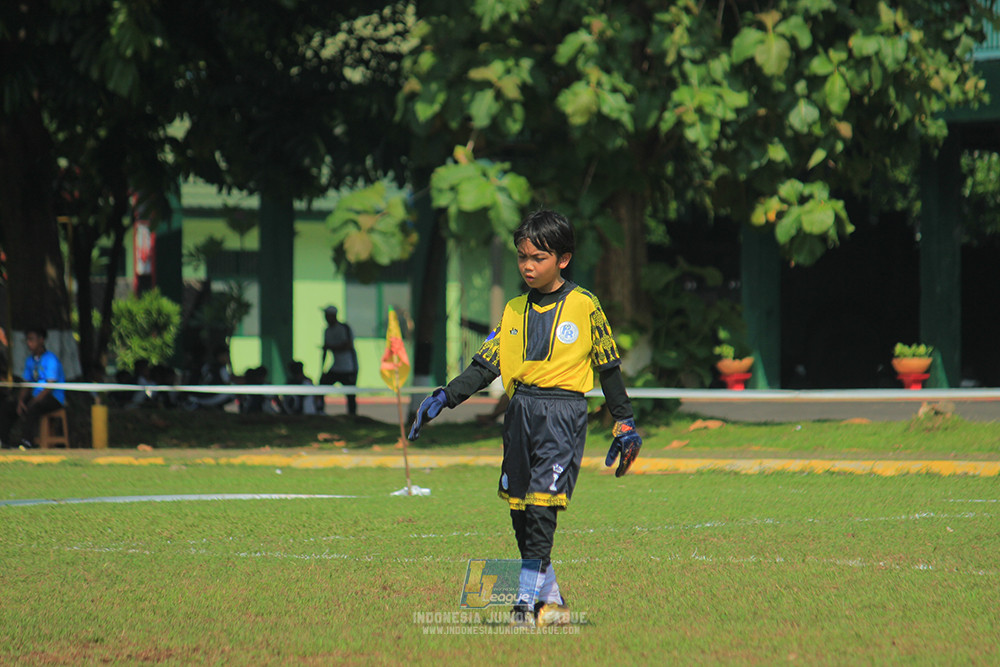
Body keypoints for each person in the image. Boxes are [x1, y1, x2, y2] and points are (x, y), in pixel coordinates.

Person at [407, 209, 643, 628]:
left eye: (538, 257)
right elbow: (485, 365)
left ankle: (523, 603)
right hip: (520, 413)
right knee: (520, 511)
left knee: (541, 507)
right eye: (522, 257)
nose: (528, 266)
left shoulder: (585, 305)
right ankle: (553, 603)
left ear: (563, 259)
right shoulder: (514, 310)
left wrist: (624, 422)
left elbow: (608, 367)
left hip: (562, 414)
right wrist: (446, 396)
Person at [0, 328, 67, 449]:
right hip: (36, 396)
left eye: (32, 339)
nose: (29, 343)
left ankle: (27, 442)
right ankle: (3, 441)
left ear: (41, 340)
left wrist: (33, 401)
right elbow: (27, 383)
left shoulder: (51, 359)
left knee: (33, 408)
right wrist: (20, 401)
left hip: (53, 398)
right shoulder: (30, 360)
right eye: (27, 340)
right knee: (9, 406)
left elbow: (49, 387)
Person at [320, 305, 359, 416]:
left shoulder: (344, 328)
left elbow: (348, 345)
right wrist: (322, 369)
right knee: (321, 387)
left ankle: (352, 416)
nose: (325, 318)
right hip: (335, 367)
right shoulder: (327, 331)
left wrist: (332, 347)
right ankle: (320, 412)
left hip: (348, 367)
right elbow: (325, 350)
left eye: (327, 315)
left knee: (350, 393)